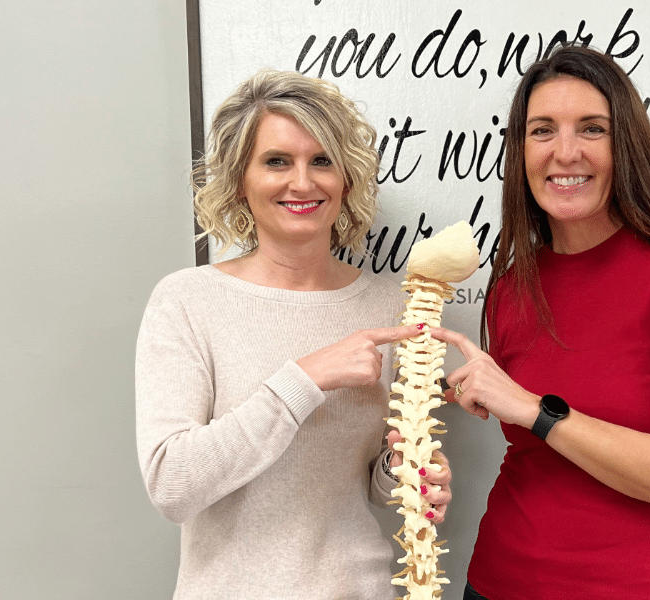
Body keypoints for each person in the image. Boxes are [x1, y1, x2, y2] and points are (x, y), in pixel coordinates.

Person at [429, 45, 650, 599]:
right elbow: (529, 440)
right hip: (497, 582)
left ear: (626, 144)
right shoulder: (511, 283)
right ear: (520, 149)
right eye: (543, 130)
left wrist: (535, 410)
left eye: (592, 129)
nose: (565, 152)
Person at [135, 69, 451, 600]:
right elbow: (172, 486)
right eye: (277, 161)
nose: (302, 183)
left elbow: (369, 485)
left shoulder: (389, 306)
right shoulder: (186, 300)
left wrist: (405, 472)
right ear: (240, 180)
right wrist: (304, 379)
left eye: (321, 161)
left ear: (345, 178)